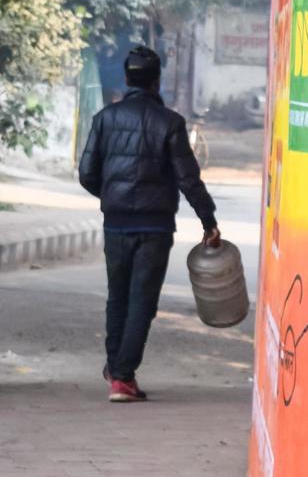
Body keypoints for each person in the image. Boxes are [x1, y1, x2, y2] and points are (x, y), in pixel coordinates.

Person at [79, 45, 221, 402]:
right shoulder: (170, 124)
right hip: (155, 226)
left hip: (116, 224)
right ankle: (123, 377)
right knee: (142, 299)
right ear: (157, 82)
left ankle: (117, 370)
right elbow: (189, 179)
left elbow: (86, 173)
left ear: (127, 79)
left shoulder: (104, 119)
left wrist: (111, 197)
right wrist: (209, 220)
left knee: (118, 296)